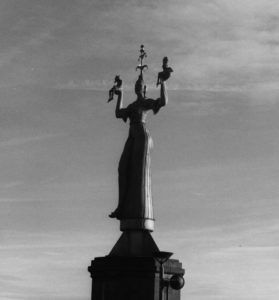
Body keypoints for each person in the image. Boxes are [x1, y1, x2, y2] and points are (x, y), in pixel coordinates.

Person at [109, 75, 168, 220]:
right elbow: (118, 113)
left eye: (140, 85)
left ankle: (136, 210)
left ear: (144, 88)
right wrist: (120, 93)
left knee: (138, 173)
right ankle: (121, 206)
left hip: (142, 135)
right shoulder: (132, 106)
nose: (137, 86)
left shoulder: (146, 103)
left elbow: (163, 102)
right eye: (136, 84)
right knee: (122, 168)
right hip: (132, 135)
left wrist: (163, 83)